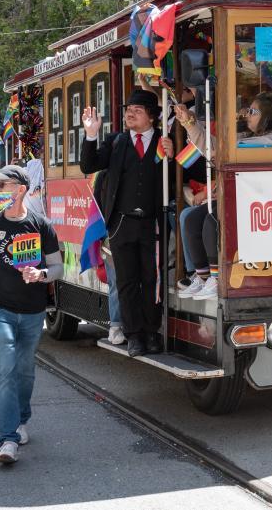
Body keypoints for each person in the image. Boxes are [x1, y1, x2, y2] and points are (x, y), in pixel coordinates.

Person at [0, 164, 62, 464]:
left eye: (3, 185)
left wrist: (41, 273)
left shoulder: (42, 225)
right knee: (4, 369)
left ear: (20, 189)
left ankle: (21, 419)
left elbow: (58, 268)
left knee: (24, 371)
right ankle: (7, 439)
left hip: (33, 312)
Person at [80, 90, 174, 357]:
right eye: (128, 109)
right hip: (121, 224)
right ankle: (134, 336)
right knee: (127, 282)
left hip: (152, 223)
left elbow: (184, 174)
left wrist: (174, 154)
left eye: (137, 110)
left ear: (152, 117)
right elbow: (88, 164)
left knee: (151, 280)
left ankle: (152, 332)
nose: (129, 113)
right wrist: (90, 135)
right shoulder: (116, 141)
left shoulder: (164, 141)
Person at [174, 102, 220, 301]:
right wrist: (188, 122)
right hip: (223, 192)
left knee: (210, 220)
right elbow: (210, 147)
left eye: (252, 112)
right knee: (191, 218)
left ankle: (217, 276)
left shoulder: (271, 139)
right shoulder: (239, 136)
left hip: (245, 197)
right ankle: (202, 275)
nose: (245, 115)